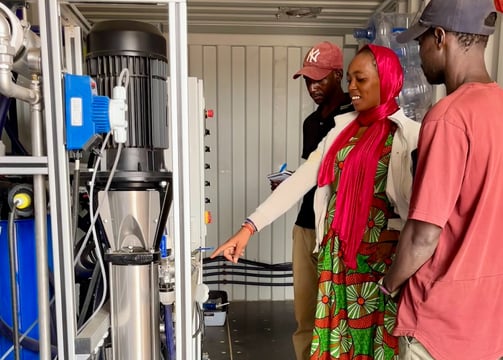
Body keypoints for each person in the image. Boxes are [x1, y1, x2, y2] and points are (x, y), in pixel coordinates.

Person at [211, 44, 420, 360]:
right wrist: (249, 228)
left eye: (360, 79)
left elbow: (424, 212)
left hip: (382, 267)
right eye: (349, 78)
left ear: (386, 80)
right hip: (338, 262)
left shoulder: (411, 136)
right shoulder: (341, 131)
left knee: (377, 347)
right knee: (333, 346)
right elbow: (299, 181)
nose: (351, 87)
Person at [381, 1, 503, 359]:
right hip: (489, 325)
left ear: (440, 38)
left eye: (421, 43)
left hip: (439, 321)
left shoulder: (448, 117)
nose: (418, 54)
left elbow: (424, 236)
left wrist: (389, 285)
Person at [282, 41, 353, 360]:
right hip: (305, 226)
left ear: (338, 75)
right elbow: (311, 173)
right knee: (305, 313)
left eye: (320, 79)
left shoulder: (355, 117)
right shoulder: (311, 124)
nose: (313, 87)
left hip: (339, 230)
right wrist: (285, 184)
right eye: (308, 80)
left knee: (339, 313)